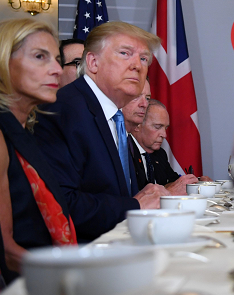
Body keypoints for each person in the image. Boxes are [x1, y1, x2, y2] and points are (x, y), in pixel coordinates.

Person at [34, 21, 170, 242]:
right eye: (125, 53)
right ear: (93, 62)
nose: (137, 65)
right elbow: (61, 206)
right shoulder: (64, 109)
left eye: (144, 58)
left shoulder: (113, 114)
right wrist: (134, 205)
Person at [0, 19, 77, 282]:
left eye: (56, 59)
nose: (56, 69)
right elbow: (4, 251)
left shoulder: (24, 130)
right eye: (40, 57)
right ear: (2, 62)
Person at [129, 99, 206, 194]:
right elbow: (133, 196)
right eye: (157, 127)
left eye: (165, 128)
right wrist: (166, 192)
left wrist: (199, 182)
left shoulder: (159, 154)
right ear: (137, 125)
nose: (164, 135)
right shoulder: (125, 153)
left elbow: (174, 181)